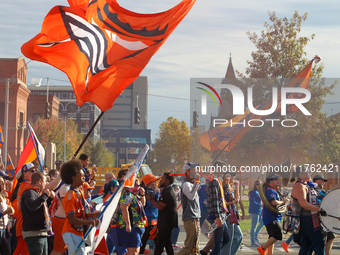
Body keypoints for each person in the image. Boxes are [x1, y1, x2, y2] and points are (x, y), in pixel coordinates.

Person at [60, 159, 100, 255]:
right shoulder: (70, 196)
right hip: (71, 231)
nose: (84, 177)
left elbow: (81, 214)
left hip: (77, 232)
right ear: (73, 178)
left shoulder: (79, 192)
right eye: (81, 176)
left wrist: (93, 214)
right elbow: (72, 219)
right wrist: (91, 222)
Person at [290, 167, 326, 255]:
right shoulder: (299, 186)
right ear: (300, 174)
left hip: (308, 219)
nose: (309, 173)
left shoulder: (304, 185)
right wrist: (319, 210)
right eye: (307, 171)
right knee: (319, 244)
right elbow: (303, 203)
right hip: (307, 219)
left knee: (307, 246)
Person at [21, 171, 54, 255]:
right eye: (45, 181)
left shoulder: (37, 193)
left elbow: (41, 209)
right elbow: (32, 206)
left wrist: (49, 199)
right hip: (34, 233)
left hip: (41, 232)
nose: (46, 183)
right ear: (39, 181)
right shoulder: (29, 192)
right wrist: (45, 195)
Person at [200, 168, 230, 255]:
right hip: (216, 215)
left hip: (220, 214)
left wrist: (226, 185)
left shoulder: (218, 181)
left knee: (225, 238)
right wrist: (218, 217)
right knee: (219, 240)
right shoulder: (213, 181)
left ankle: (212, 253)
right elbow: (215, 200)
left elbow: (222, 196)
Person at [257, 175, 289, 255]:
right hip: (271, 217)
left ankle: (270, 253)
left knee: (272, 236)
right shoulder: (270, 190)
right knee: (277, 235)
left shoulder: (273, 190)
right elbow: (273, 202)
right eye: (276, 180)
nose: (278, 182)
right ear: (271, 181)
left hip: (273, 217)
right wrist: (283, 202)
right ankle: (262, 248)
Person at [147, 172, 178, 255]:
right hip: (167, 221)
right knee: (167, 242)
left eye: (162, 179)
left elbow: (160, 206)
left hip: (166, 222)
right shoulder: (168, 190)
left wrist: (150, 199)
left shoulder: (167, 192)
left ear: (167, 181)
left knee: (160, 243)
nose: (160, 181)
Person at [116, 179, 146, 255]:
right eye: (137, 185)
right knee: (133, 252)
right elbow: (124, 208)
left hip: (136, 227)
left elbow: (143, 204)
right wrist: (128, 225)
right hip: (131, 227)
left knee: (134, 252)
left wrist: (142, 195)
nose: (139, 187)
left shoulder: (133, 195)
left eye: (139, 185)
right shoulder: (127, 194)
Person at [177, 162, 201, 255]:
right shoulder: (186, 184)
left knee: (195, 248)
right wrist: (197, 182)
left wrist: (196, 183)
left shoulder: (190, 183)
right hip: (190, 217)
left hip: (194, 217)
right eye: (193, 170)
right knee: (189, 247)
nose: (196, 172)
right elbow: (191, 196)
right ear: (187, 171)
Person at [139, 173, 161, 255]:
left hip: (153, 220)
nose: (155, 184)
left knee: (157, 241)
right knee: (144, 240)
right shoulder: (148, 192)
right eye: (153, 182)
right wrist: (157, 194)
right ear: (148, 184)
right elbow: (153, 204)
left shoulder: (149, 192)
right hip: (149, 220)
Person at [313, 174, 334, 255]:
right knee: (320, 244)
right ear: (318, 181)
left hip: (327, 220)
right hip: (320, 220)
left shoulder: (321, 191)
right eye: (322, 181)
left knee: (331, 238)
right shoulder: (315, 190)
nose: (324, 183)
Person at [222, 174, 243, 255]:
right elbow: (223, 203)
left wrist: (237, 187)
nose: (233, 178)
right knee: (229, 238)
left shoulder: (230, 188)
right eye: (231, 177)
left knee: (239, 236)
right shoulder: (224, 187)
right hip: (227, 214)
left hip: (232, 214)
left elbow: (237, 199)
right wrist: (233, 202)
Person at [50, 182, 70, 255]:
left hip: (65, 220)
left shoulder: (68, 186)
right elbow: (66, 205)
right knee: (58, 251)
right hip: (61, 220)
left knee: (63, 251)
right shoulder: (65, 186)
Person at [0, 176, 14, 255]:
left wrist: (10, 211)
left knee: (7, 252)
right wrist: (6, 212)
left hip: (5, 229)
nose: (4, 183)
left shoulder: (3, 197)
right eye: (1, 183)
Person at [249, 180, 264, 246]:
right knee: (254, 226)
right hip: (254, 211)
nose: (259, 185)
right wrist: (260, 205)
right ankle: (253, 242)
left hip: (258, 211)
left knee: (263, 222)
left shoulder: (258, 192)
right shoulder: (254, 192)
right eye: (258, 184)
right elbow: (252, 202)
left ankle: (255, 235)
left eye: (260, 184)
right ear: (255, 185)